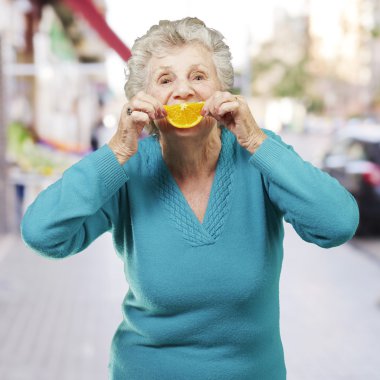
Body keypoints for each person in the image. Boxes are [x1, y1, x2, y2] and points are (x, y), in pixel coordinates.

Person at [21, 17, 359, 380]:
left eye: (198, 77)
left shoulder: (258, 153)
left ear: (222, 90)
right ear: (144, 100)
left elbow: (337, 223)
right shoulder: (128, 169)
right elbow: (42, 234)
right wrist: (117, 151)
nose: (183, 91)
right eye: (165, 80)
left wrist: (257, 141)